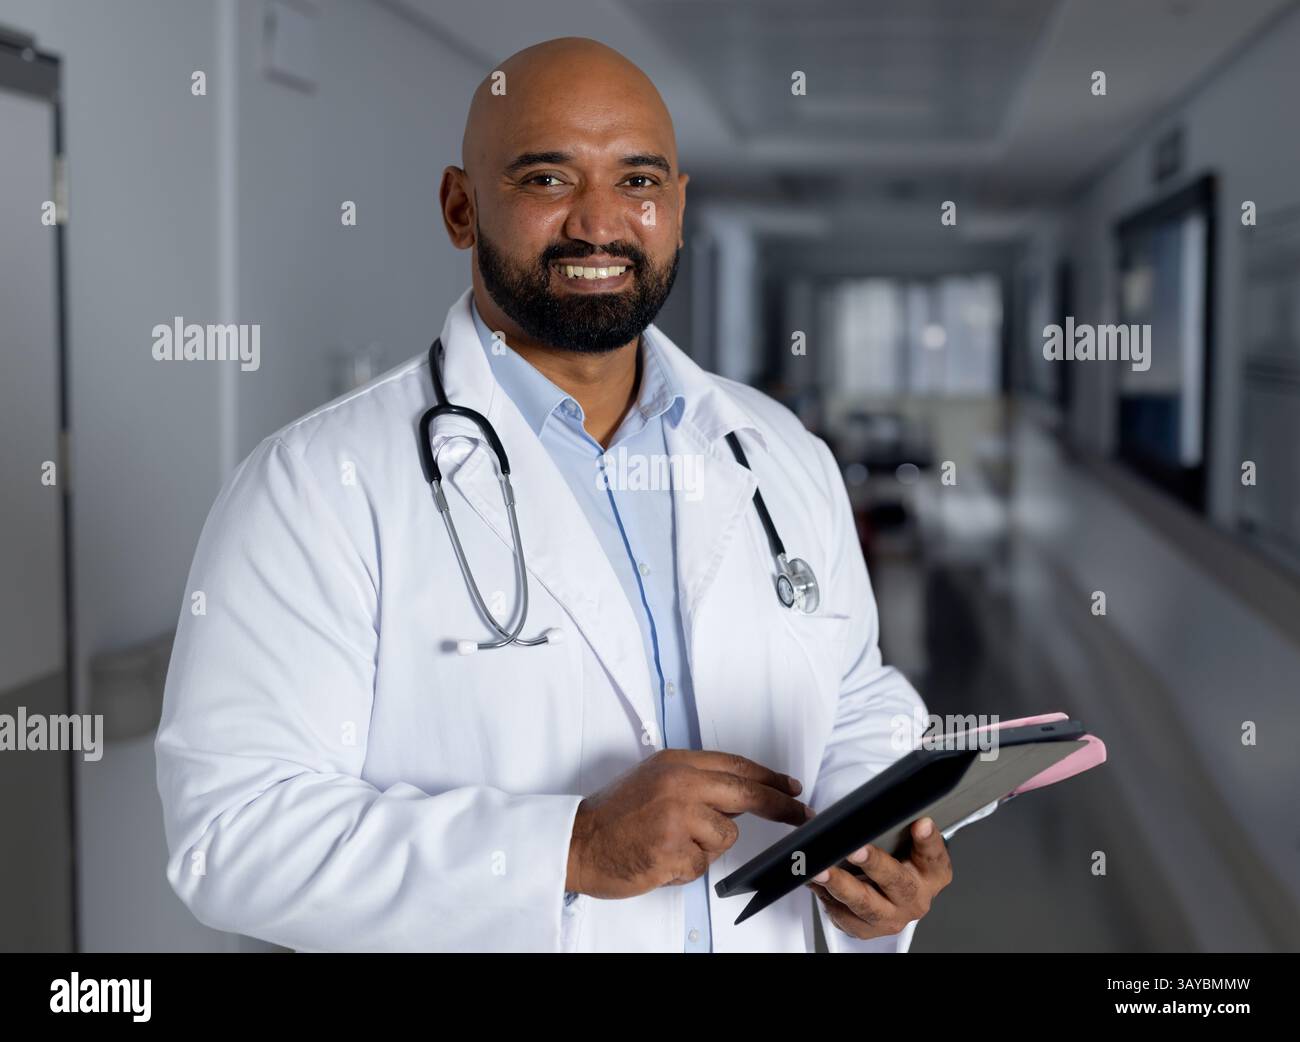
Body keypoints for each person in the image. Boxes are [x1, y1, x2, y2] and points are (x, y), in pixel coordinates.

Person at [156, 36, 963, 953]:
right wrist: (568, 848)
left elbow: (856, 693)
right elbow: (232, 838)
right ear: (461, 208)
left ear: (678, 207)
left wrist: (874, 842)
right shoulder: (314, 484)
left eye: (638, 182)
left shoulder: (777, 452)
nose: (598, 225)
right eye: (546, 179)